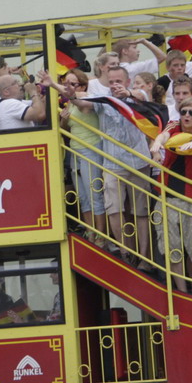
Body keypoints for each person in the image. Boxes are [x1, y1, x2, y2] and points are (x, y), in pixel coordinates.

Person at [49, 65, 154, 263]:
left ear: (127, 81)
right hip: (113, 163)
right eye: (112, 81)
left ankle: (145, 259)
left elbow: (143, 94)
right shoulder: (102, 97)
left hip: (139, 161)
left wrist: (128, 92)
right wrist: (64, 91)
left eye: (119, 81)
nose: (115, 85)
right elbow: (82, 103)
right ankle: (127, 253)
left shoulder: (136, 95)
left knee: (140, 212)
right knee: (114, 210)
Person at [150, 96, 192, 294]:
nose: (186, 115)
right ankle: (181, 291)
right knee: (171, 246)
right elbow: (162, 136)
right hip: (167, 194)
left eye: (191, 113)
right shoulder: (173, 125)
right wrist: (156, 147)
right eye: (183, 111)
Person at [49, 67, 107, 243]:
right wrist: (63, 120)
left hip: (91, 149)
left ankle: (101, 236)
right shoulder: (69, 102)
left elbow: (84, 108)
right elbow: (66, 129)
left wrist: (53, 84)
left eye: (72, 84)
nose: (67, 87)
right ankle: (91, 232)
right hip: (75, 150)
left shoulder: (87, 98)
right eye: (65, 83)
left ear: (82, 86)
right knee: (83, 196)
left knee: (94, 195)